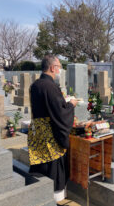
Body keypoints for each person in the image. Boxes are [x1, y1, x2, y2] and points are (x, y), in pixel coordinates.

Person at [28, 55, 78, 202]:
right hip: (49, 133)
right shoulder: (50, 87)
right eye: (59, 67)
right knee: (53, 164)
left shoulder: (36, 84)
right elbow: (60, 113)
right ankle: (54, 197)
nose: (59, 70)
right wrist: (71, 104)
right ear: (52, 68)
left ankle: (39, 192)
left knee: (41, 162)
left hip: (37, 130)